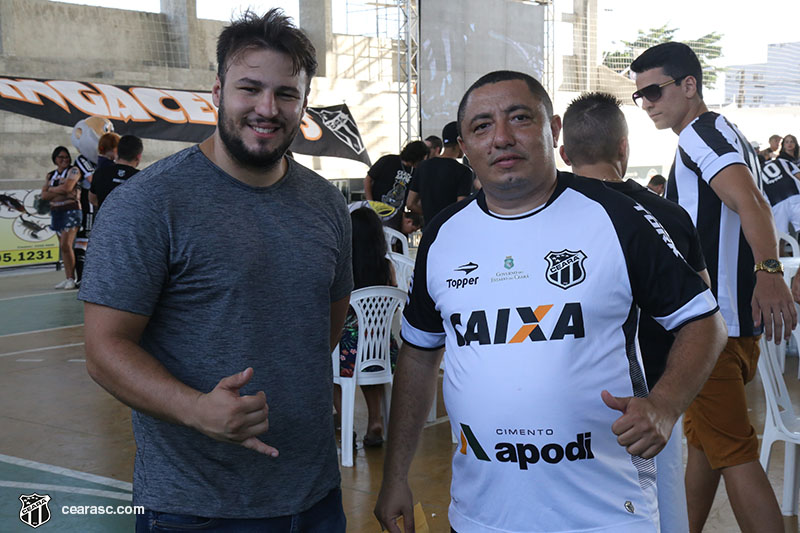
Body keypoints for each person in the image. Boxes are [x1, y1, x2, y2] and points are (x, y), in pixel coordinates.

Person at [374, 70, 727, 533]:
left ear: (553, 130)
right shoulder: (443, 234)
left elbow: (704, 321)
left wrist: (664, 403)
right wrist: (394, 475)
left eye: (519, 118)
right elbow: (419, 356)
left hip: (603, 513)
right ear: (465, 145)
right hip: (483, 514)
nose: (501, 137)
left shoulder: (617, 216)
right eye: (482, 126)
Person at [79, 9, 352, 532]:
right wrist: (195, 409)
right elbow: (104, 350)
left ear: (304, 104)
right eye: (250, 89)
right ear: (217, 92)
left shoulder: (325, 204)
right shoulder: (150, 203)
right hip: (195, 509)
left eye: (286, 94)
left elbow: (324, 328)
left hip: (315, 497)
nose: (267, 109)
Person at [630, 41, 797, 533]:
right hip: (731, 328)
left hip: (712, 329)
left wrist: (769, 273)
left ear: (689, 86)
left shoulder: (700, 135)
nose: (648, 104)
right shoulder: (719, 133)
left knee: (735, 453)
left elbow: (751, 203)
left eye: (655, 91)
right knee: (707, 446)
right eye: (641, 96)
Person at [560, 91, 711, 533]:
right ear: (625, 148)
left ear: (564, 152)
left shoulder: (548, 217)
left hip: (570, 406)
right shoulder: (669, 216)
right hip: (653, 405)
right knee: (658, 515)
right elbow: (701, 306)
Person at [335, 206, 398, 447]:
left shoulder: (343, 267)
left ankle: (346, 424)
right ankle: (375, 421)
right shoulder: (386, 266)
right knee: (372, 376)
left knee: (325, 367)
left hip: (349, 349)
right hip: (383, 348)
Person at [406, 121, 473, 227]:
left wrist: (430, 214)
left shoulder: (423, 166)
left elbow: (410, 203)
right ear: (460, 143)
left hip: (429, 229)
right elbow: (461, 207)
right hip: (451, 229)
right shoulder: (464, 172)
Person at [364, 140, 429, 230]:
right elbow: (368, 180)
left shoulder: (415, 172)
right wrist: (370, 203)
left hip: (396, 216)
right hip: (377, 209)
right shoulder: (388, 160)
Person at [41, 146, 81, 290]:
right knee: (63, 248)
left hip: (71, 211)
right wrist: (58, 192)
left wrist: (52, 190)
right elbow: (44, 195)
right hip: (56, 212)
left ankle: (72, 278)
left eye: (66, 157)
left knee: (66, 244)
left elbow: (68, 188)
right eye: (61, 157)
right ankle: (68, 277)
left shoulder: (74, 170)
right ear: (55, 159)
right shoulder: (50, 175)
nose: (64, 160)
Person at [90, 135, 143, 209]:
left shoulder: (100, 172)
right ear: (139, 156)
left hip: (105, 219)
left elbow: (92, 199)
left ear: (117, 152)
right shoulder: (142, 179)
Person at [760, 149, 800, 236]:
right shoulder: (781, 161)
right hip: (795, 196)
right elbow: (798, 176)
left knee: (780, 238)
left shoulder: (755, 172)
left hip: (775, 204)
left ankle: (780, 249)